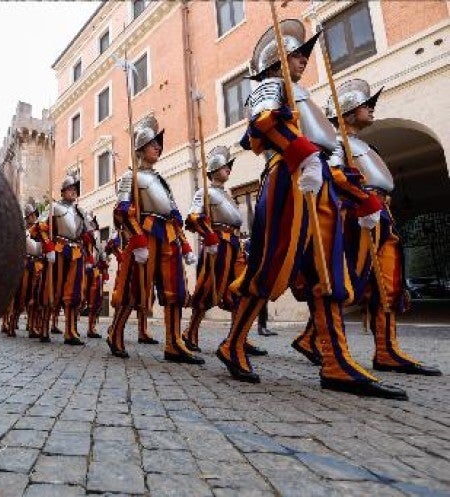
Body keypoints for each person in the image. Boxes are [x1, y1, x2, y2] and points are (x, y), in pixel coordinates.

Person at [216, 19, 407, 399]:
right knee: (269, 267)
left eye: (304, 54)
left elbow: (330, 152)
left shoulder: (305, 96)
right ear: (278, 60)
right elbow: (263, 123)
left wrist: (361, 198)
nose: (304, 59)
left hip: (318, 185)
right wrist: (303, 156)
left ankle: (336, 362)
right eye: (296, 54)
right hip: (288, 178)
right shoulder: (272, 86)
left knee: (329, 271)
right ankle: (232, 343)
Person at [291, 78, 441, 376]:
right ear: (348, 110)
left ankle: (386, 350)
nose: (371, 109)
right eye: (366, 105)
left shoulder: (363, 145)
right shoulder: (334, 141)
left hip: (379, 213)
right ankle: (317, 342)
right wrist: (361, 197)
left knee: (388, 284)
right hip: (356, 216)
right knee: (349, 281)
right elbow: (331, 173)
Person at [107, 116, 201, 363]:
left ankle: (174, 343)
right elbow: (122, 209)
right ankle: (115, 333)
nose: (158, 147)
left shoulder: (161, 180)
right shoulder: (131, 176)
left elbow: (173, 213)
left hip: (167, 234)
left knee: (175, 289)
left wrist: (185, 243)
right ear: (140, 149)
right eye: (153, 144)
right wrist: (137, 240)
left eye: (159, 143)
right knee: (133, 288)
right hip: (145, 233)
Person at [182, 145, 267, 357]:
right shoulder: (204, 192)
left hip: (235, 244)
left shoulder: (228, 195)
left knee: (242, 289)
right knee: (208, 288)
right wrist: (207, 234)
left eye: (229, 166)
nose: (228, 169)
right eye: (224, 166)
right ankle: (190, 332)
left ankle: (238, 337)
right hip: (217, 243)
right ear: (213, 170)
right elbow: (192, 217)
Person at [31, 174, 91, 345]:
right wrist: (48, 247)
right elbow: (39, 228)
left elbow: (86, 234)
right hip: (58, 249)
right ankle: (43, 328)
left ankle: (70, 332)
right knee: (51, 290)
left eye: (75, 189)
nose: (73, 192)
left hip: (76, 252)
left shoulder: (80, 211)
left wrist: (88, 254)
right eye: (70, 189)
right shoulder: (54, 207)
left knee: (74, 294)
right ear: (63, 191)